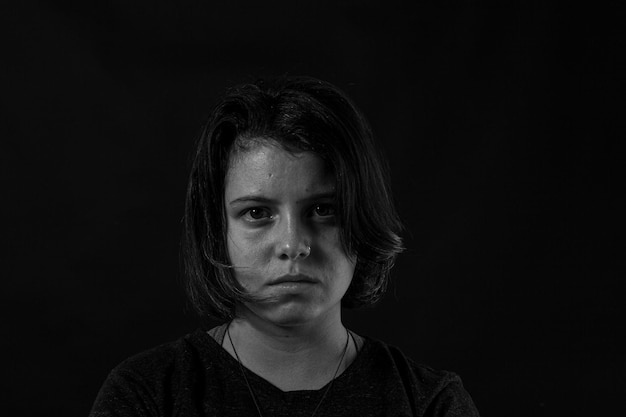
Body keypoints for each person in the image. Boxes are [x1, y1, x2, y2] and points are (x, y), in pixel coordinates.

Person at [89, 76, 480, 416]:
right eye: (258, 212)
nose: (293, 245)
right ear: (216, 229)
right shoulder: (146, 395)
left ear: (361, 219)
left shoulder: (429, 403)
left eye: (324, 209)